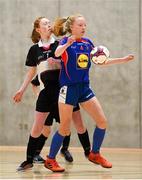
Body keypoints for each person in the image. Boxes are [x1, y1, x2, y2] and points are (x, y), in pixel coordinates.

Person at [44, 14, 134, 172]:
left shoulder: (88, 43)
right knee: (64, 129)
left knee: (102, 122)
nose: (84, 28)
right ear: (71, 27)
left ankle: (95, 153)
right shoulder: (65, 42)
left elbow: (100, 61)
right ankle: (50, 159)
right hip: (68, 89)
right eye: (80, 25)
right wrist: (67, 44)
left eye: (85, 25)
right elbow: (57, 54)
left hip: (84, 88)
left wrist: (122, 59)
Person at [13, 17, 91, 171]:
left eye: (49, 23)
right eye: (44, 24)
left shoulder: (60, 43)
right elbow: (31, 72)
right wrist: (21, 90)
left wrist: (60, 63)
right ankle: (29, 160)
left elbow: (72, 62)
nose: (48, 25)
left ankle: (87, 152)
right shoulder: (35, 49)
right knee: (37, 127)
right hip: (46, 92)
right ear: (38, 29)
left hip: (64, 90)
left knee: (72, 125)